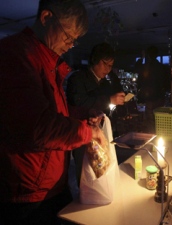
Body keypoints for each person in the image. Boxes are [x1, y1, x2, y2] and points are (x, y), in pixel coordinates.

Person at [0, 1, 108, 225]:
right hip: (26, 194)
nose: (70, 45)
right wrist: (87, 133)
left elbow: (56, 111)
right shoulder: (16, 55)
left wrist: (82, 114)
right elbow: (38, 127)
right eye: (69, 36)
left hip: (51, 184)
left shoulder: (46, 60)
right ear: (47, 17)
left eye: (74, 40)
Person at [66, 42, 125, 184]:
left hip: (99, 131)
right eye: (106, 64)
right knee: (85, 173)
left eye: (111, 66)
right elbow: (78, 102)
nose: (108, 69)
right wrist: (109, 99)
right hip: (81, 131)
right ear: (95, 60)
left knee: (101, 171)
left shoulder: (105, 83)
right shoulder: (78, 78)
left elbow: (105, 106)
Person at [137, 46, 171, 133]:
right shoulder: (162, 67)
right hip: (159, 96)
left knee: (150, 119)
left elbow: (140, 81)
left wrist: (140, 94)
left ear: (148, 55)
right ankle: (160, 135)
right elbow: (167, 82)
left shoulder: (145, 67)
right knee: (159, 117)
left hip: (149, 96)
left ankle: (152, 136)